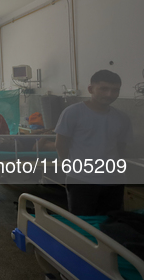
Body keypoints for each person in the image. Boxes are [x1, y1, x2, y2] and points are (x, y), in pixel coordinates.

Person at [55, 70, 133, 216]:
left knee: (111, 225)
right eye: (104, 89)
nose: (110, 94)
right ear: (91, 89)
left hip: (114, 181)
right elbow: (61, 144)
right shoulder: (73, 112)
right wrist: (69, 169)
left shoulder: (122, 118)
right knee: (83, 225)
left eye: (115, 90)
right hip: (82, 180)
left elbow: (121, 148)